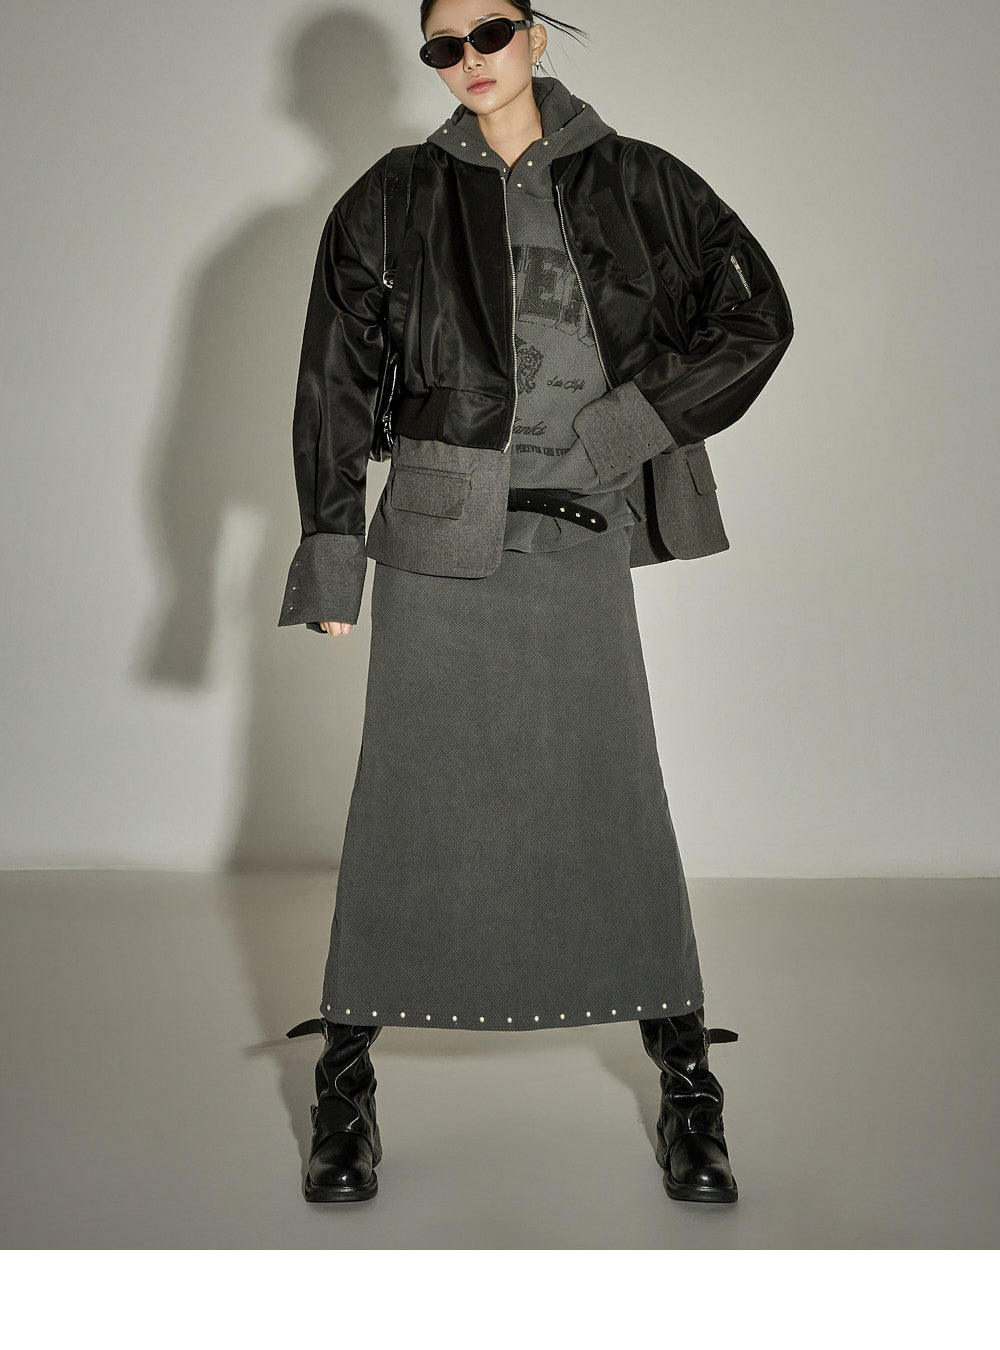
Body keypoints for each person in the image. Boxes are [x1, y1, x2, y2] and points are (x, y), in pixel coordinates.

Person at [281, 0, 794, 1206]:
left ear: (537, 36)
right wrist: (331, 553)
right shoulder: (389, 197)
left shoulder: (642, 181)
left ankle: (687, 1088)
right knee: (404, 810)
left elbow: (754, 318)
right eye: (441, 47)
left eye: (490, 33)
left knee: (616, 802)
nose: (468, 61)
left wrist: (631, 426)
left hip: (582, 528)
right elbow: (334, 380)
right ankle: (346, 1090)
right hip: (437, 529)